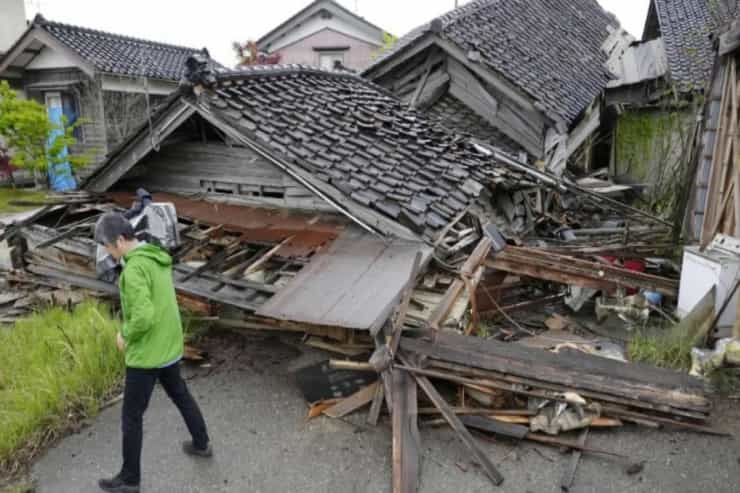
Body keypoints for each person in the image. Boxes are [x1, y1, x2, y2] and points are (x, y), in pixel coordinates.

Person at [95, 212, 211, 493]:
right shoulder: (154, 256)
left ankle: (130, 478)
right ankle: (201, 443)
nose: (108, 252)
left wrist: (125, 333)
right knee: (180, 394)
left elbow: (144, 316)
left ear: (121, 240)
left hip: (147, 354)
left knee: (131, 416)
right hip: (169, 346)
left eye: (108, 246)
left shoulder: (134, 270)